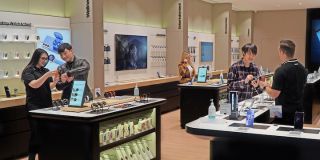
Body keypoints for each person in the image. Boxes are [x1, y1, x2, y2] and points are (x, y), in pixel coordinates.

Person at [21, 48, 59, 160]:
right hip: (34, 107)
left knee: (46, 134)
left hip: (47, 106)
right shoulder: (28, 71)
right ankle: (31, 158)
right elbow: (35, 85)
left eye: (46, 59)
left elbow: (49, 86)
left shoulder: (45, 70)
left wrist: (56, 81)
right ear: (36, 57)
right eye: (43, 58)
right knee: (36, 134)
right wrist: (47, 75)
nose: (45, 60)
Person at [259, 40, 308, 125]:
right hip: (299, 110)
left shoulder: (281, 70)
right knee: (297, 134)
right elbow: (290, 86)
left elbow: (274, 94)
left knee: (279, 135)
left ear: (282, 52)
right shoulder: (302, 68)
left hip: (282, 112)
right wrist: (270, 86)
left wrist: (264, 86)